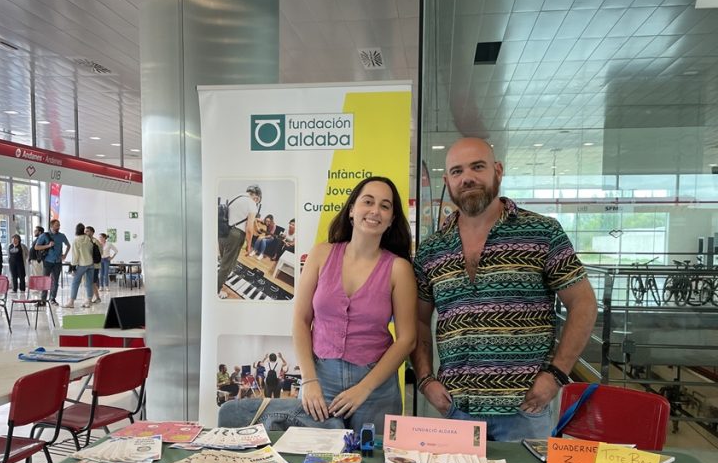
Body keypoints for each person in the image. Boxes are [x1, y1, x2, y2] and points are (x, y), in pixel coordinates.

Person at [411, 137, 598, 442]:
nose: (467, 177)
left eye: (477, 167)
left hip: (524, 409)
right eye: (457, 171)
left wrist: (556, 375)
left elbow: (584, 305)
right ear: (447, 181)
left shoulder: (541, 232)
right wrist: (425, 379)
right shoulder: (433, 248)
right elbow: (418, 320)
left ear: (498, 170)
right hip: (457, 410)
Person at [292, 176, 417, 435]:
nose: (375, 211)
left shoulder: (399, 269)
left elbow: (407, 339)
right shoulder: (320, 254)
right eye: (368, 202)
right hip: (320, 380)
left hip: (376, 387)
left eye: (385, 206)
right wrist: (309, 379)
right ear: (351, 210)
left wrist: (365, 388)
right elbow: (301, 320)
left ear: (392, 219)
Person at [218, 184, 261, 298]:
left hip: (222, 230)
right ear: (256, 198)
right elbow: (249, 229)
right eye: (258, 201)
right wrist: (249, 246)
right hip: (235, 235)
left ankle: (218, 281)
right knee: (226, 266)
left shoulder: (237, 196)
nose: (256, 202)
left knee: (224, 261)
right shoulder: (252, 204)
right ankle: (216, 291)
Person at [33, 220, 69, 304]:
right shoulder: (44, 235)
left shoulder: (62, 236)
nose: (58, 227)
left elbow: (68, 245)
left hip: (58, 262)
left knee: (55, 281)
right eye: (57, 225)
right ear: (51, 226)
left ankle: (52, 298)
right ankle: (43, 300)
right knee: (45, 280)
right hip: (47, 261)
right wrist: (48, 246)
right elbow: (36, 247)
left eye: (59, 225)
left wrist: (65, 255)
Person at [63, 222, 95, 308]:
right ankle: (89, 301)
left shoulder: (76, 240)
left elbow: (75, 255)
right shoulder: (88, 239)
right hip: (91, 263)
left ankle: (71, 302)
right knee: (89, 282)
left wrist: (73, 267)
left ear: (76, 230)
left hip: (82, 264)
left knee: (75, 282)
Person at [85, 225, 102, 303]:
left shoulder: (95, 242)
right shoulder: (86, 241)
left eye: (87, 231)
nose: (85, 232)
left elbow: (100, 253)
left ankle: (93, 298)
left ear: (92, 232)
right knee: (91, 283)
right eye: (85, 231)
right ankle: (94, 298)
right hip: (88, 265)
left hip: (94, 265)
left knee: (92, 283)